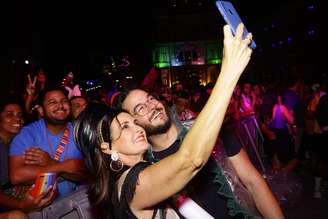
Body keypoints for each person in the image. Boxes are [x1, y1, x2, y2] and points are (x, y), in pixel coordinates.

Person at [75, 24, 271, 219]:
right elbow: (190, 160)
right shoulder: (131, 185)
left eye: (133, 122)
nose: (137, 128)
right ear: (107, 148)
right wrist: (229, 73)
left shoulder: (145, 170)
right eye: (126, 125)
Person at [9, 87, 87, 200]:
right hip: (39, 206)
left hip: (75, 200)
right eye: (52, 102)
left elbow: (85, 172)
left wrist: (49, 163)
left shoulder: (79, 133)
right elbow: (17, 175)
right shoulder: (27, 134)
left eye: (64, 101)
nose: (60, 105)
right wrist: (64, 167)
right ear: (41, 110)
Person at [0, 97, 55, 218]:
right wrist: (21, 204)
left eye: (19, 115)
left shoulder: (20, 142)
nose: (17, 119)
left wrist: (23, 183)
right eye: (10, 114)